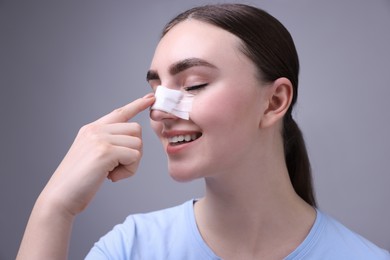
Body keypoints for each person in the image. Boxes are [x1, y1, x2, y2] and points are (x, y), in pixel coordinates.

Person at [17, 3, 389, 260]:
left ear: (275, 101)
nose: (160, 110)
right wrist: (55, 208)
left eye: (193, 85)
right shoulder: (132, 248)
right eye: (156, 88)